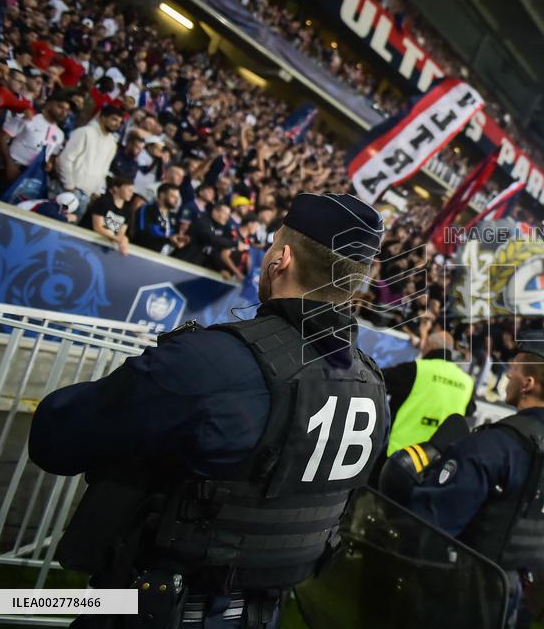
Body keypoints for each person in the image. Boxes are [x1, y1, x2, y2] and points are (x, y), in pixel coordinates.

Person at [28, 192, 388, 628]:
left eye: (272, 244)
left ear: (282, 259)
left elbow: (56, 437)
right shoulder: (372, 386)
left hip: (154, 610)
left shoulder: (213, 361)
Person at [398, 330, 544, 627]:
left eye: (513, 370)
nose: (508, 376)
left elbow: (429, 527)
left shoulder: (491, 447)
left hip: (452, 595)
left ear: (528, 383)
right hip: (511, 597)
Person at [382, 329, 476, 457]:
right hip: (435, 460)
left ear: (430, 345)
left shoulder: (416, 369)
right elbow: (470, 410)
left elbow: (377, 379)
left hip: (399, 455)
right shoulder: (467, 382)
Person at [0, 91, 70, 199]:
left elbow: (51, 155)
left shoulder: (60, 134)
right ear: (49, 104)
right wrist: (9, 164)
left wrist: (49, 164)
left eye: (67, 110)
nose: (64, 112)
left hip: (33, 177)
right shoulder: (30, 118)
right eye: (60, 107)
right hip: (12, 168)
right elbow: (1, 138)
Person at [57, 105, 123, 218]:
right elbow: (65, 158)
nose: (117, 124)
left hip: (87, 195)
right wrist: (69, 186)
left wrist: (97, 192)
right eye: (114, 119)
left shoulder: (112, 143)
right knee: (54, 222)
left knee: (70, 231)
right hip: (68, 189)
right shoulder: (85, 132)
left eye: (119, 122)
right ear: (102, 117)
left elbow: (104, 169)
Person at [79, 174, 134, 256]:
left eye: (132, 190)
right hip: (86, 240)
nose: (131, 193)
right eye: (128, 189)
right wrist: (116, 238)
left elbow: (121, 232)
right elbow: (97, 227)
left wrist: (123, 240)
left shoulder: (127, 211)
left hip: (103, 248)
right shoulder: (103, 201)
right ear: (116, 188)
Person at [133, 182, 188, 255]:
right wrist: (167, 240)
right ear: (162, 195)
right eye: (173, 196)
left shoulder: (173, 217)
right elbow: (142, 234)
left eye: (177, 198)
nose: (176, 200)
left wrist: (180, 240)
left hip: (163, 258)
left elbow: (174, 236)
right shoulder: (147, 209)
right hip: (143, 253)